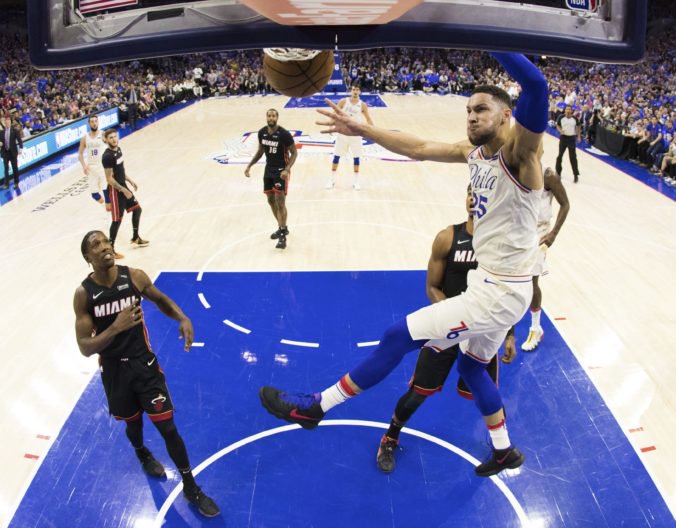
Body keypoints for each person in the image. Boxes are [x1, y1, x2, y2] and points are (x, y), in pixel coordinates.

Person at [259, 52, 548, 477]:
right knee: (470, 365)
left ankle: (316, 408)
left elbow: (538, 87)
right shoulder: (474, 154)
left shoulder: (522, 155)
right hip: (494, 285)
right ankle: (504, 450)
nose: (470, 116)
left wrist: (489, 39)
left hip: (500, 292)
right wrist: (363, 128)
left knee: (396, 336)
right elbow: (418, 147)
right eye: (467, 109)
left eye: (481, 109)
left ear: (508, 115)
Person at [73, 230, 220, 518]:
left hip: (144, 366)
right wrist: (116, 326)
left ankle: (191, 486)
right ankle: (142, 452)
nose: (104, 247)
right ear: (87, 257)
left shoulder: (134, 276)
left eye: (106, 241)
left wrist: (183, 317)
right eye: (96, 245)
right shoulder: (83, 295)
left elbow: (160, 299)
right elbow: (84, 348)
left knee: (168, 427)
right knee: (133, 424)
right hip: (115, 372)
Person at [376, 186, 516, 473]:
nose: (474, 198)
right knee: (417, 392)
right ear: (465, 198)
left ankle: (501, 447)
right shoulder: (448, 238)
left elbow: (508, 293)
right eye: (470, 193)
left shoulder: (502, 243)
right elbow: (431, 287)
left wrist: (510, 333)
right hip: (448, 330)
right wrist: (458, 318)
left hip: (482, 334)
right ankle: (390, 435)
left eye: (480, 194)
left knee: (488, 395)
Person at [521, 167, 570, 352]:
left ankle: (535, 328)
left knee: (532, 280)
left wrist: (553, 234)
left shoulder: (548, 176)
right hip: (521, 229)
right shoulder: (517, 169)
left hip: (540, 233)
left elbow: (565, 204)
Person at [244, 109, 298, 250]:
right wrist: (250, 165)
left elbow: (294, 153)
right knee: (270, 201)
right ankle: (282, 227)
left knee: (280, 202)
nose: (271, 118)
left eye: (273, 116)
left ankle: (282, 235)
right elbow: (261, 151)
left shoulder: (284, 134)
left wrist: (287, 169)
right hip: (268, 170)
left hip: (281, 172)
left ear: (277, 118)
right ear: (266, 117)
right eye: (269, 115)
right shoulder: (262, 133)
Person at [102, 128, 149, 259]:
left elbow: (121, 170)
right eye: (110, 137)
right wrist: (123, 190)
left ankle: (135, 237)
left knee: (137, 209)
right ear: (106, 140)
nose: (113, 139)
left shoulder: (118, 150)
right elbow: (109, 178)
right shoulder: (107, 156)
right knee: (117, 220)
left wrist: (130, 181)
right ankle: (110, 250)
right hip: (116, 190)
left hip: (124, 186)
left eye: (114, 136)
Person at [325, 85, 374, 190]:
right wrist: (330, 125)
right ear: (350, 91)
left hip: (355, 135)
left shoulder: (363, 105)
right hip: (342, 134)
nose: (355, 91)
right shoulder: (343, 101)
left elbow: (368, 119)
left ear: (360, 91)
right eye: (353, 89)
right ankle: (332, 180)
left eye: (357, 89)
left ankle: (356, 182)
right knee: (336, 157)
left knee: (356, 158)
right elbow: (334, 113)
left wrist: (374, 131)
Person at [78, 115, 110, 210]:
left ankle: (110, 214)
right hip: (91, 167)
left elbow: (112, 147)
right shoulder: (84, 138)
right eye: (92, 121)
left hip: (103, 166)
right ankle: (107, 208)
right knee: (94, 194)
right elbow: (80, 154)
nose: (94, 123)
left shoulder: (103, 134)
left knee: (106, 191)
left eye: (96, 121)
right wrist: (84, 166)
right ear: (89, 123)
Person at [555, 105, 581, 183]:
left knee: (573, 158)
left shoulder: (575, 118)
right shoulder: (561, 117)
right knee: (559, 156)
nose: (568, 110)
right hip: (563, 138)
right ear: (565, 110)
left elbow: (579, 126)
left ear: (571, 111)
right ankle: (558, 173)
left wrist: (579, 136)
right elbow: (557, 125)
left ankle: (575, 175)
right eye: (567, 109)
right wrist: (560, 130)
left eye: (569, 109)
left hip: (571, 139)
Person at [0, 113, 23, 189]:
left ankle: (16, 182)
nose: (7, 123)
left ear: (10, 122)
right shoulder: (1, 132)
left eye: (8, 122)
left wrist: (20, 148)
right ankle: (6, 184)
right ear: (5, 123)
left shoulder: (14, 130)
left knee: (14, 168)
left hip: (13, 152)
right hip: (5, 152)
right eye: (6, 122)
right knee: (6, 169)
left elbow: (19, 140)